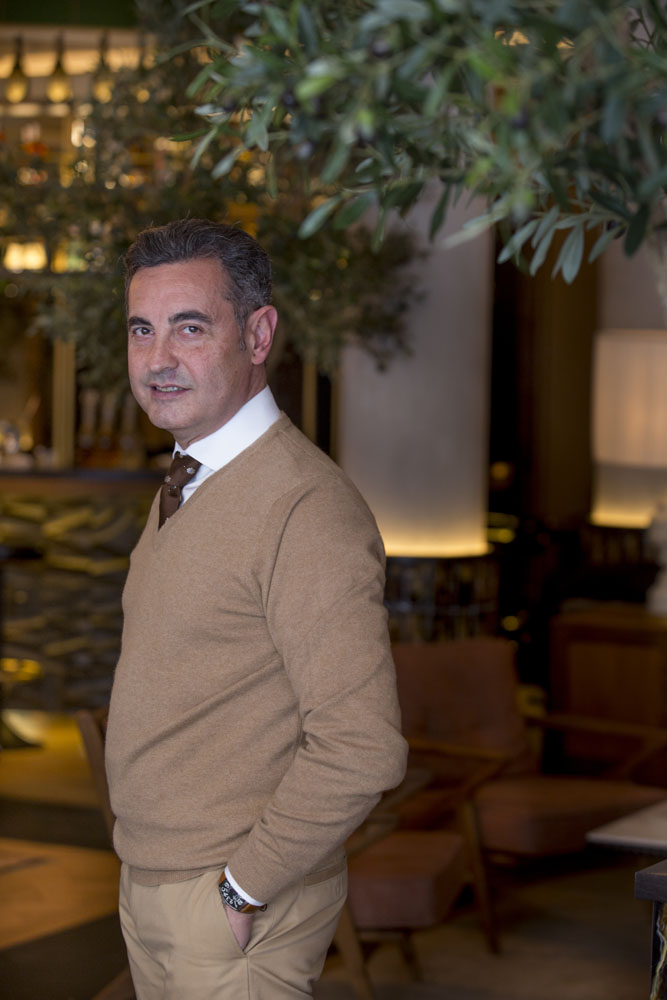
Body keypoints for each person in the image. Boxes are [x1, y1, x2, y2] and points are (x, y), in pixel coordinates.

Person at [105, 218, 408, 999]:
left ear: (258, 333)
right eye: (142, 330)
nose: (157, 359)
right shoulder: (190, 476)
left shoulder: (303, 508)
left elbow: (361, 747)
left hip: (230, 901)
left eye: (189, 328)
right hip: (156, 882)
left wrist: (242, 892)